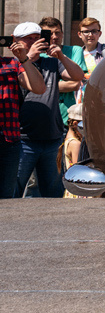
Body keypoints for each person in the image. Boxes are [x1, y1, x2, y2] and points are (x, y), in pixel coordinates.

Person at [15, 21, 86, 198]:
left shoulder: (51, 63)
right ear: (16, 41)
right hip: (23, 140)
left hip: (52, 137)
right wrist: (27, 58)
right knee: (15, 190)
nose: (33, 42)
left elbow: (78, 76)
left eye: (37, 38)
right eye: (28, 39)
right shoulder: (13, 65)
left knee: (53, 192)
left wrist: (61, 56)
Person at [0, 28, 46, 198]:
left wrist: (24, 59)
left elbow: (39, 88)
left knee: (6, 196)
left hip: (9, 139)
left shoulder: (11, 64)